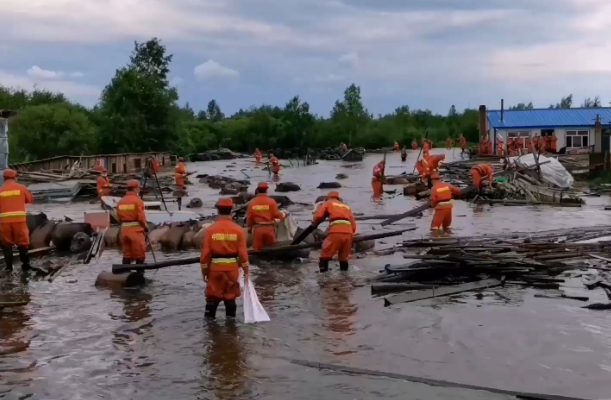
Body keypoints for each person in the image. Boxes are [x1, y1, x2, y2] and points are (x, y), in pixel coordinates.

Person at [200, 198, 249, 319]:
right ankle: (231, 329)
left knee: (212, 298)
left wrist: (205, 272)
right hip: (232, 270)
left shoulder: (211, 230)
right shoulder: (238, 230)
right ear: (231, 210)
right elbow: (243, 254)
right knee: (230, 298)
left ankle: (210, 329)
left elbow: (205, 255)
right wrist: (246, 271)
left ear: (218, 210)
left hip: (215, 270)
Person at [312, 191, 357, 272]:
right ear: (338, 198)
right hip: (348, 232)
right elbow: (354, 226)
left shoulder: (328, 203)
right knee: (344, 258)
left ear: (328, 198)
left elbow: (319, 216)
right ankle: (345, 277)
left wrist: (314, 223)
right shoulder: (346, 206)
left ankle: (323, 277)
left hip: (335, 231)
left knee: (325, 254)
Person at [0, 169, 33, 272]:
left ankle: (9, 268)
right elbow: (30, 200)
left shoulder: (0, 190)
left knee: (7, 244)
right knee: (22, 243)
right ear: (15, 177)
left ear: (4, 178)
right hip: (19, 221)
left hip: (4, 222)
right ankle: (26, 265)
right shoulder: (22, 188)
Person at [247, 182, 286, 250]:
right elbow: (276, 215)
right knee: (272, 250)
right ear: (266, 190)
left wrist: (249, 229)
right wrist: (284, 215)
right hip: (269, 229)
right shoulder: (271, 201)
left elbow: (250, 218)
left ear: (258, 190)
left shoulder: (252, 202)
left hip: (258, 230)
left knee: (257, 251)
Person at [117, 180, 148, 265]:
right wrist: (145, 227)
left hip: (124, 231)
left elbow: (119, 217)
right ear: (135, 189)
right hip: (136, 231)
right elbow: (141, 218)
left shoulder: (121, 201)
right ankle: (140, 275)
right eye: (139, 188)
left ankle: (124, 274)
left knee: (127, 254)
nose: (139, 190)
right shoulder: (138, 201)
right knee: (139, 254)